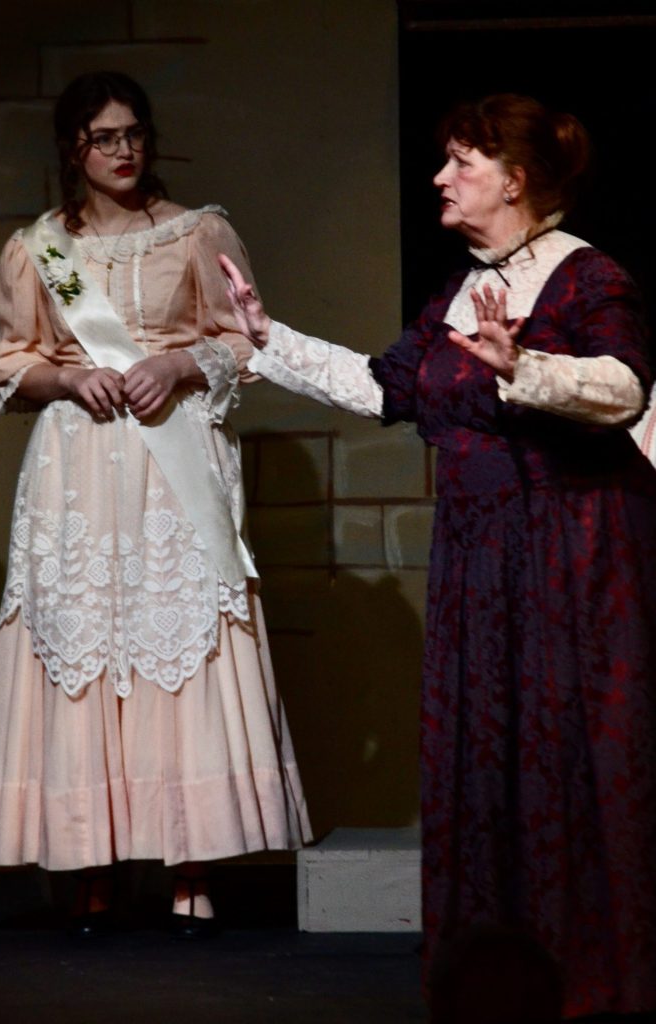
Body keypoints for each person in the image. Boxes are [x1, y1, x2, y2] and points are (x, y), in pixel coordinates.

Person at [219, 94, 656, 1017]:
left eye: (462, 162)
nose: (440, 178)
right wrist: (266, 336)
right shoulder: (459, 290)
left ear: (515, 179)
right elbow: (386, 388)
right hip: (476, 561)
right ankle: (493, 976)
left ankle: (584, 971)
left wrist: (523, 368)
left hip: (565, 559)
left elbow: (622, 389)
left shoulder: (586, 277)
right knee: (486, 753)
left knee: (561, 752)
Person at [0, 71, 311, 935]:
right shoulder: (38, 249)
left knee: (177, 646)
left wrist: (180, 363)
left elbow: (245, 341)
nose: (122, 151)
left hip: (172, 458)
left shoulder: (197, 231)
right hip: (78, 468)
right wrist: (66, 378)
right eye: (103, 138)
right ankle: (90, 866)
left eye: (133, 134)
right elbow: (8, 359)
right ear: (72, 149)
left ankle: (189, 863)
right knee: (83, 643)